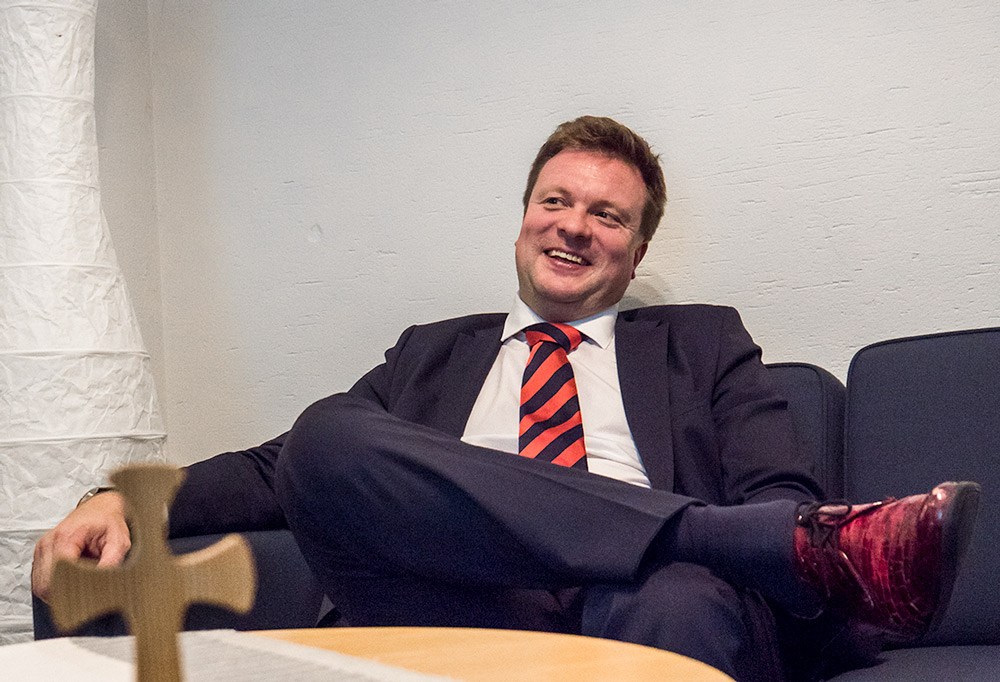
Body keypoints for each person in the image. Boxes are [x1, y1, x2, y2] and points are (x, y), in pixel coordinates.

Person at [33, 116, 980, 682]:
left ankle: (684, 547)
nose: (574, 226)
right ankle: (701, 534)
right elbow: (283, 471)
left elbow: (781, 496)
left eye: (608, 215)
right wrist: (121, 500)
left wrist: (738, 542)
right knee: (325, 436)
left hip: (639, 603)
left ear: (637, 253)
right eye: (555, 201)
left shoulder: (703, 343)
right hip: (450, 596)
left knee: (684, 595)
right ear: (523, 219)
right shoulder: (429, 354)